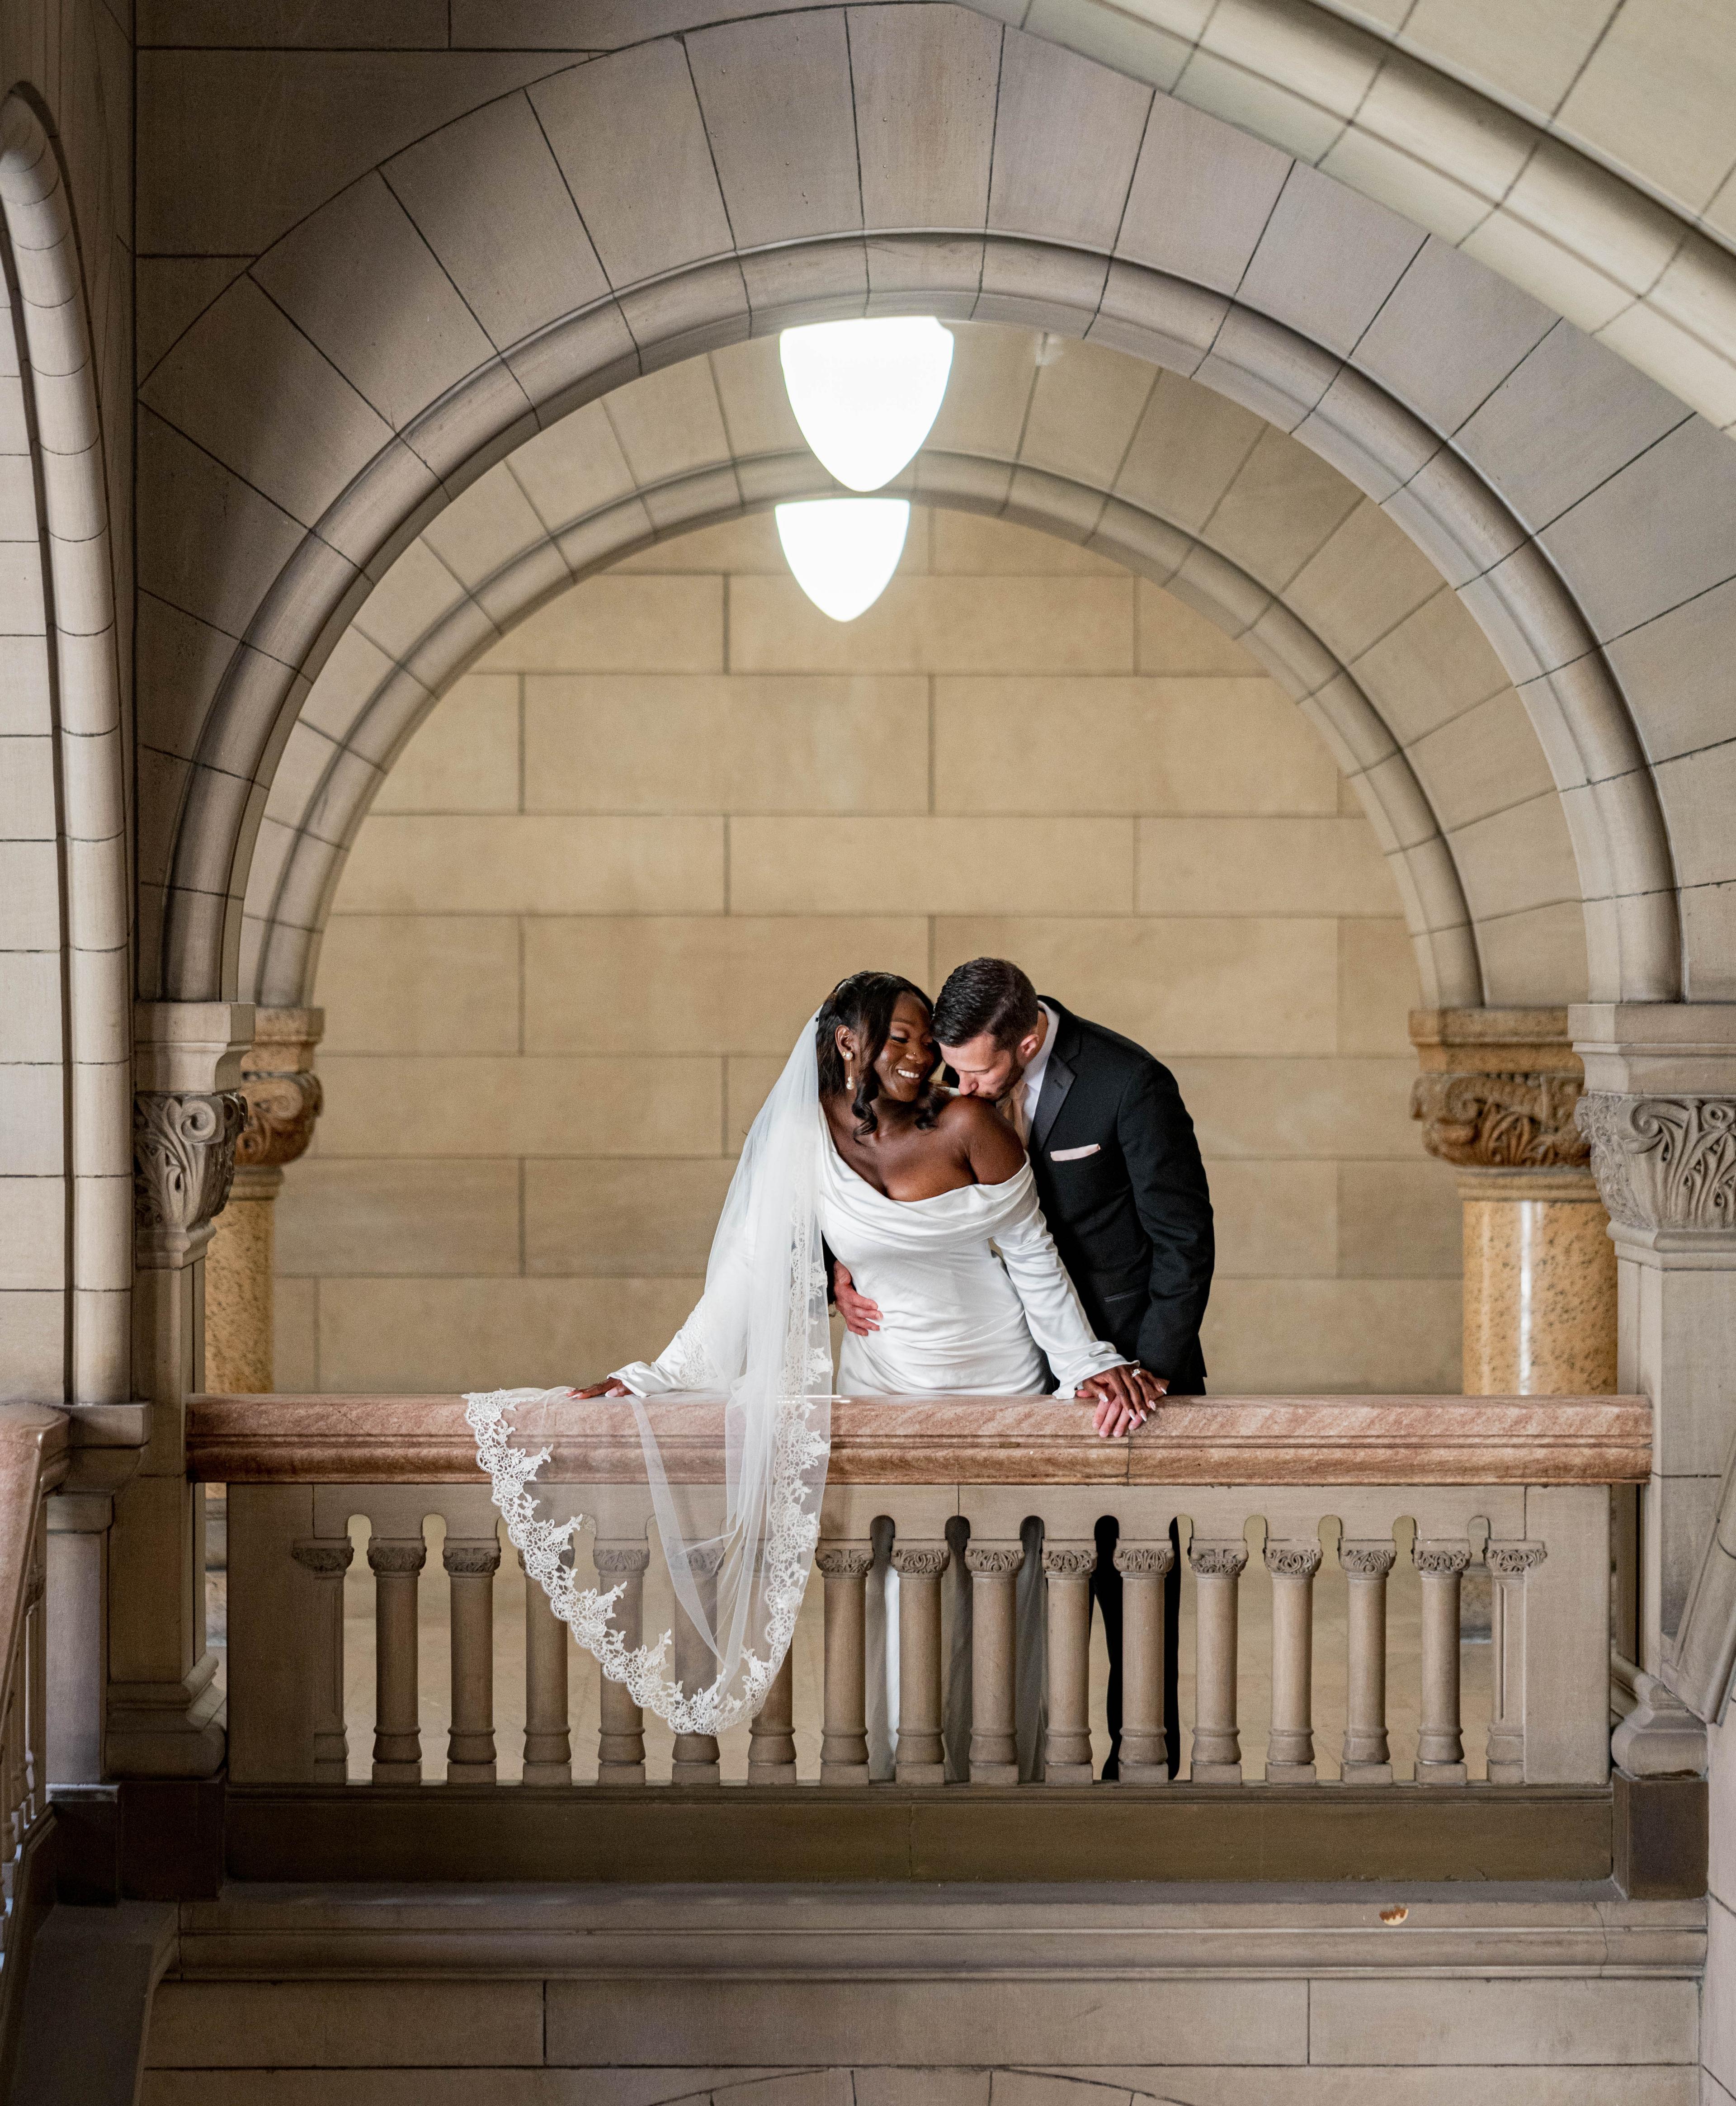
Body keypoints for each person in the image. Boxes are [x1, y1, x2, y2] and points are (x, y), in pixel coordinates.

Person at [570, 971, 1163, 1775]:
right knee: (893, 1595)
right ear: (849, 1044)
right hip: (882, 1386)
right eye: (903, 1037)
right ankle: (899, 1780)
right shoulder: (802, 1137)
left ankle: (1000, 1780)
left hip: (1000, 1375)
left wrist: (1088, 1363)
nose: (925, 1056)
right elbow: (749, 1271)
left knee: (1004, 1598)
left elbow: (1033, 1258)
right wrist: (660, 1374)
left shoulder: (969, 1123)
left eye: (927, 1039)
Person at [835, 958, 1215, 1780]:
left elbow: (1184, 1242)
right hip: (1005, 1368)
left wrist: (1144, 1368)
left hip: (1117, 1375)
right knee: (1023, 1585)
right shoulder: (948, 1086)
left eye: (975, 1069)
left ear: (1030, 1038)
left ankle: (1141, 1768)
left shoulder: (1130, 1083)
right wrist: (843, 1266)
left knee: (1130, 1581)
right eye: (949, 1061)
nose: (955, 1083)